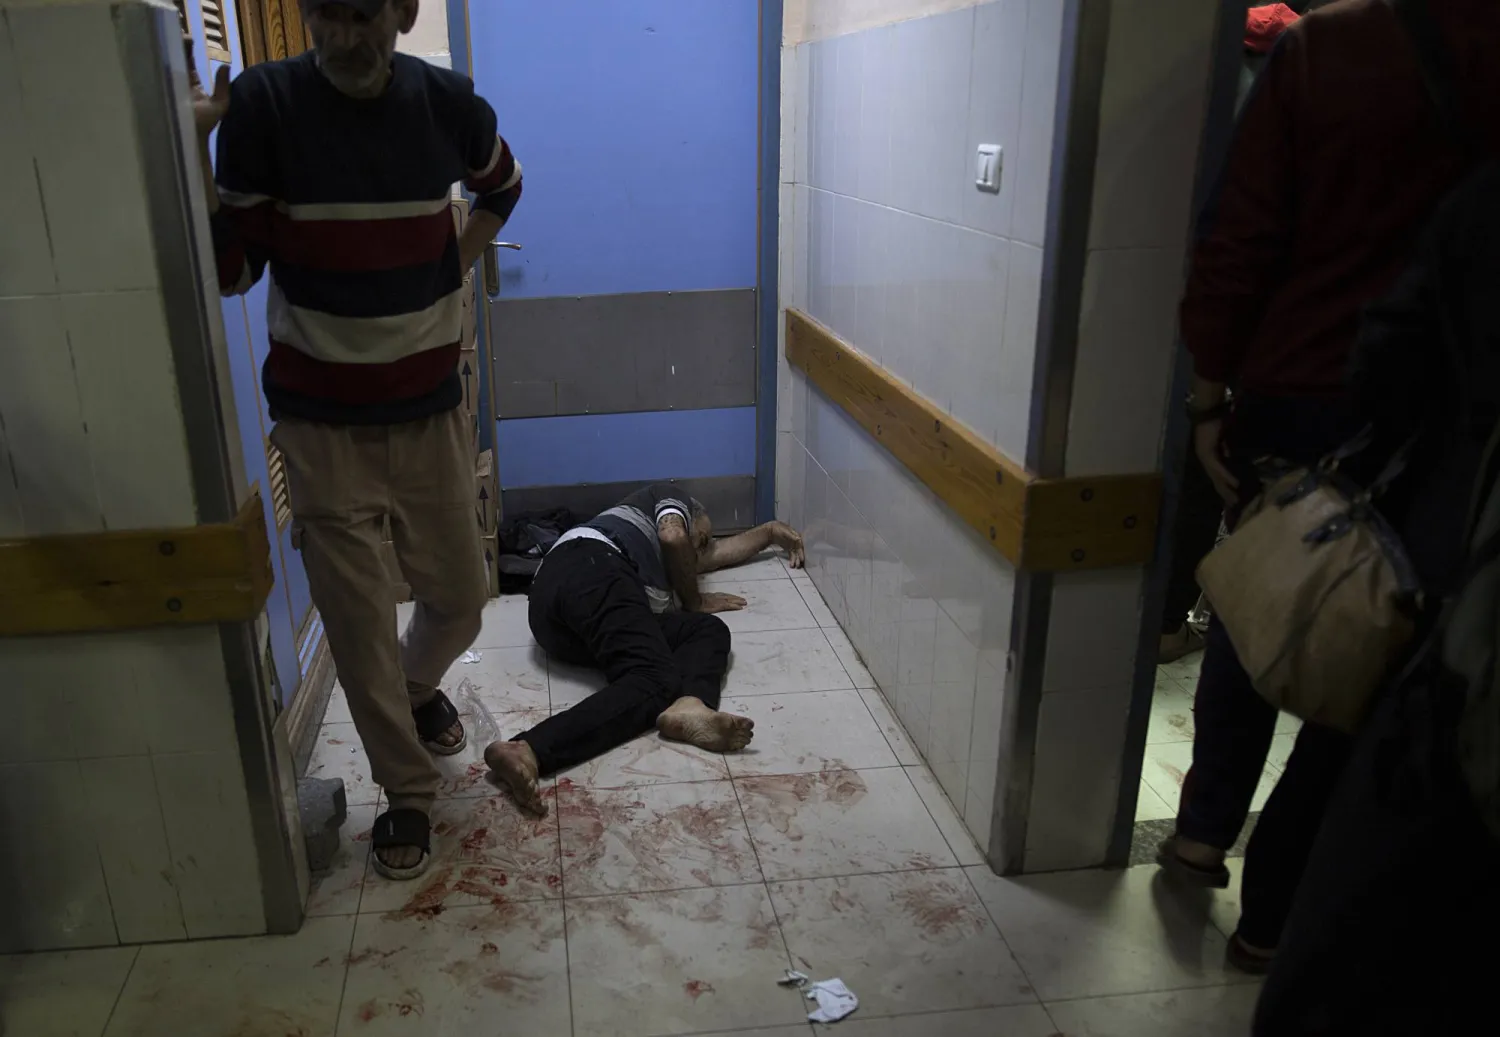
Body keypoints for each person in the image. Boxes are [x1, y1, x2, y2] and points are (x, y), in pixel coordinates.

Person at [1159, 0, 1500, 972]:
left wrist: (1208, 396)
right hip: (1453, 424)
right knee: (1382, 648)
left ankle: (1200, 830)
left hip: (1300, 389)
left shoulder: (1331, 48)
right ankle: (1274, 911)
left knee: (1261, 589)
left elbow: (1237, 238)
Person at [192, 0, 524, 880]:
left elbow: (503, 187)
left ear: (404, 9)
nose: (348, 36)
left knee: (460, 592)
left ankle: (415, 691)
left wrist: (450, 267)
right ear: (303, 12)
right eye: (328, 14)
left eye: (366, 12)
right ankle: (406, 791)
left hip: (425, 409)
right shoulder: (264, 104)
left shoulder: (451, 104)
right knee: (359, 619)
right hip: (319, 419)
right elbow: (233, 272)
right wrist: (191, 151)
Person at [1254, 161, 1500, 1035]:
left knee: (1358, 774)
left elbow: (1382, 369)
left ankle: (1257, 910)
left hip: (1444, 593)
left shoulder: (1478, 206)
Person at [484, 486, 805, 815]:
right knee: (654, 678)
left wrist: (768, 533)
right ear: (692, 514)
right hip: (590, 567)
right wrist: (695, 600)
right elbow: (673, 537)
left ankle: (690, 703)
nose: (701, 550)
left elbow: (706, 554)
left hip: (556, 621)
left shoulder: (664, 543)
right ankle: (528, 748)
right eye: (704, 537)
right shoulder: (670, 496)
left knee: (707, 630)